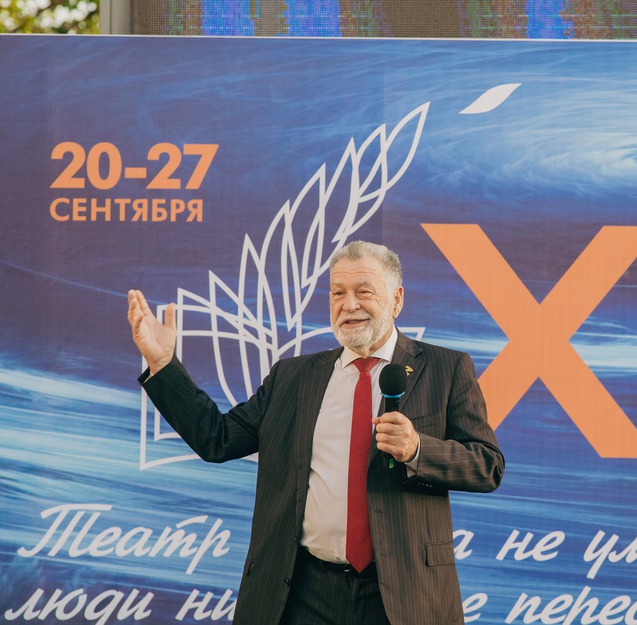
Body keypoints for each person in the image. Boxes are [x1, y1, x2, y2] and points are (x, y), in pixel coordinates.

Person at [127, 240, 504, 625]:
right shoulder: (292, 376)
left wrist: (418, 449)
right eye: (338, 293)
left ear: (396, 299)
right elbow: (217, 438)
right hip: (303, 592)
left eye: (364, 291)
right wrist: (163, 363)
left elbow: (487, 466)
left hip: (404, 593)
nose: (349, 305)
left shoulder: (445, 368)